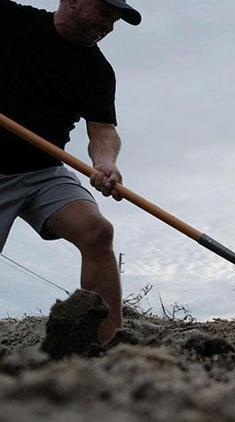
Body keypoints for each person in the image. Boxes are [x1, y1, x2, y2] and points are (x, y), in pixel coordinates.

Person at [0, 0, 141, 343]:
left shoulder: (97, 70)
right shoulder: (11, 20)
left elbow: (103, 131)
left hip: (42, 172)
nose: (110, 25)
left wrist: (106, 162)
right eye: (105, 12)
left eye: (116, 18)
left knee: (97, 232)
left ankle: (106, 346)